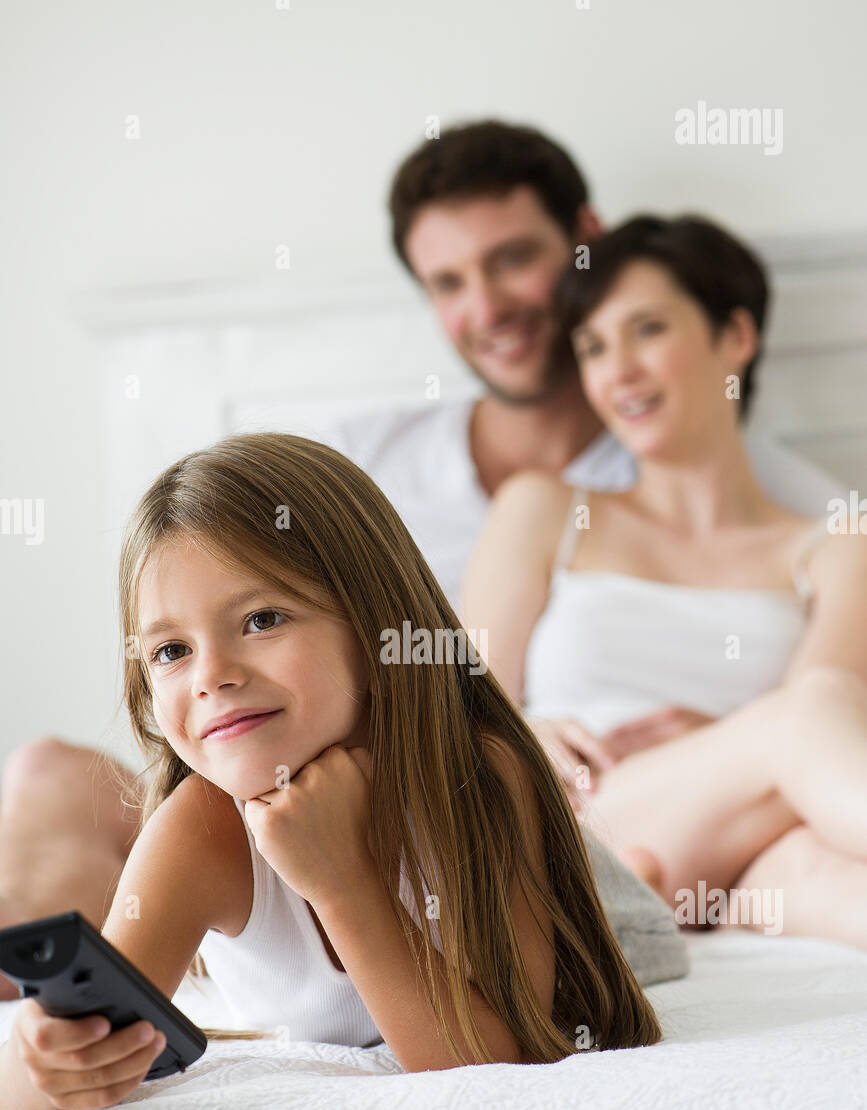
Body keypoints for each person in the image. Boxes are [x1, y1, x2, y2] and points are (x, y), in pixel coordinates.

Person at [0, 118, 841, 990]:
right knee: (48, 776)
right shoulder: (347, 464)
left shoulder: (781, 505)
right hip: (271, 780)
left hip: (470, 831)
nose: (486, 308)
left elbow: (820, 720)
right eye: (448, 282)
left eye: (512, 259)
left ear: (587, 246)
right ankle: (63, 1014)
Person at [0, 433, 662, 1110]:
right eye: (171, 650)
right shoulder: (199, 832)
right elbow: (41, 1074)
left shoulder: (480, 772)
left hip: (618, 914)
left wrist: (341, 881)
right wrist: (38, 1064)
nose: (211, 676)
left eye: (262, 619)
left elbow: (492, 1064)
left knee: (646, 905)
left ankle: (649, 869)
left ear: (376, 629)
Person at [461, 214, 867, 948]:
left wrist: (726, 743)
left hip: (745, 848)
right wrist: (525, 730)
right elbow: (455, 708)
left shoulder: (837, 546)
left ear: (734, 339)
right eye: (592, 348)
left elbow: (833, 722)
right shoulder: (543, 509)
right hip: (583, 818)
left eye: (646, 330)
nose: (617, 372)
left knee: (824, 877)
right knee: (802, 720)